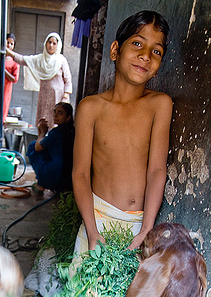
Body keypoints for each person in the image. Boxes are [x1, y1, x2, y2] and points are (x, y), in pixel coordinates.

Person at [72, 10, 173, 255]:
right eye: (137, 43)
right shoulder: (91, 108)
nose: (145, 56)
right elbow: (81, 174)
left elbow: (157, 170)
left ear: (158, 67)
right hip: (96, 220)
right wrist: (92, 231)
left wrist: (146, 229)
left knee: (129, 292)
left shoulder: (160, 105)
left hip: (138, 227)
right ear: (115, 50)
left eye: (156, 51)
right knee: (88, 292)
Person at [6, 33, 72, 128]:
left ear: (58, 45)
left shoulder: (61, 60)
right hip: (45, 97)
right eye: (49, 42)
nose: (51, 45)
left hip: (58, 97)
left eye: (54, 43)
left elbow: (68, 79)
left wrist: (65, 96)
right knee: (44, 121)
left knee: (57, 121)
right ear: (46, 43)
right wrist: (10, 53)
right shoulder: (41, 59)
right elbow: (24, 60)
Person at [27, 102, 75, 193]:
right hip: (68, 178)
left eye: (60, 113)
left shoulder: (56, 133)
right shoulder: (72, 131)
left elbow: (38, 147)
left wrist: (42, 132)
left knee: (33, 147)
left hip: (57, 174)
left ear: (68, 118)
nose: (55, 115)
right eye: (54, 112)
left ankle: (42, 184)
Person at [3, 33, 20, 124]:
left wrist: (4, 71)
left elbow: (14, 79)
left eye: (11, 44)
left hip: (6, 90)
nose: (9, 45)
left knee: (3, 111)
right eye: (7, 42)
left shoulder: (14, 62)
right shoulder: (0, 57)